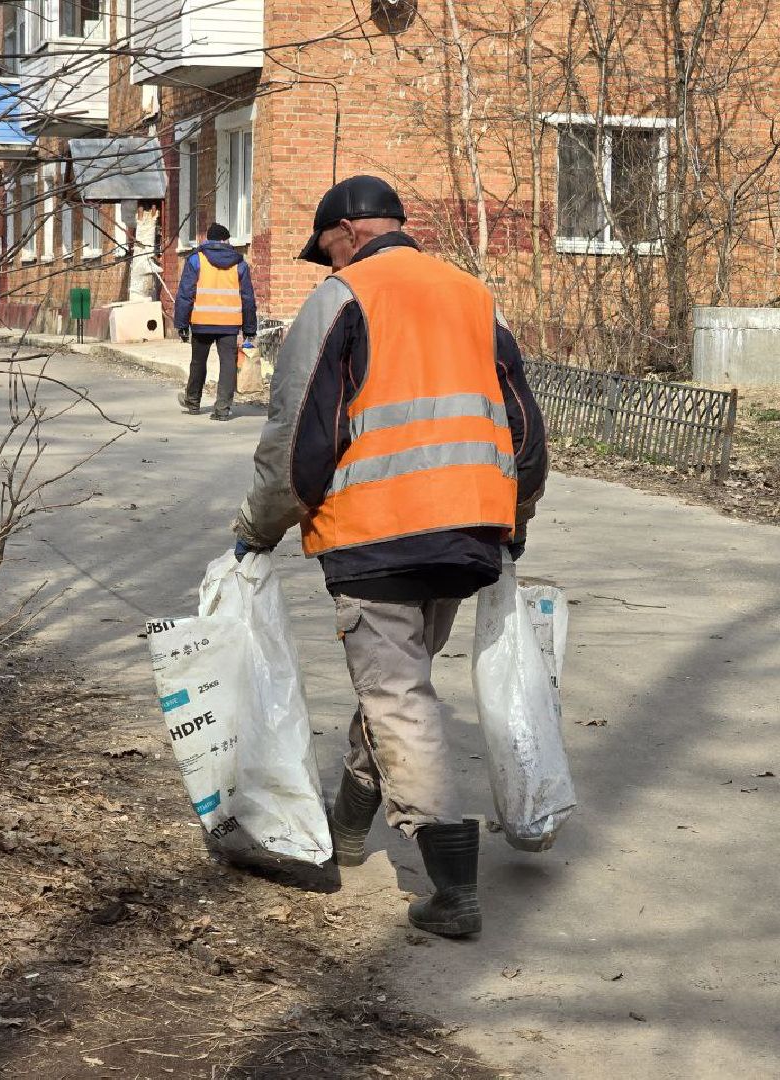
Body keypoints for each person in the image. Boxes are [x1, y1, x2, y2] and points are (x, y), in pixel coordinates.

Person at [230, 175, 547, 938]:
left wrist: (254, 531)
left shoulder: (341, 300)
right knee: (395, 685)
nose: (326, 264)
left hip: (377, 535)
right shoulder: (475, 296)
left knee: (399, 697)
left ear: (344, 232)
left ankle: (453, 891)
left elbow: (298, 440)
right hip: (470, 533)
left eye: (325, 251)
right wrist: (517, 515)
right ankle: (343, 831)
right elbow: (525, 426)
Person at [172, 223, 258, 421]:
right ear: (225, 240)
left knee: (198, 362)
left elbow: (185, 294)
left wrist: (182, 324)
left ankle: (192, 402)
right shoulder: (239, 263)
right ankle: (222, 409)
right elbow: (247, 298)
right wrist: (249, 328)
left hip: (201, 321)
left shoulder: (196, 260)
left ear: (207, 240)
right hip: (229, 323)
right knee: (228, 363)